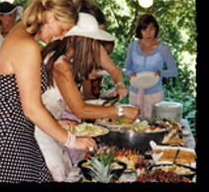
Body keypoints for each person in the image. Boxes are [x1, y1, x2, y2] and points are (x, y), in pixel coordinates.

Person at [0, 0, 95, 183]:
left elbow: (22, 101)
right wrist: (72, 140)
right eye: (63, 29)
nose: (62, 36)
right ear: (49, 17)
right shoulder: (26, 44)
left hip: (15, 132)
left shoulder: (21, 36)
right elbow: (31, 108)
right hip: (6, 139)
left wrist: (56, 124)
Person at [36, 13, 140, 181]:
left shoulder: (61, 59)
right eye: (92, 41)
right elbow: (80, 110)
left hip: (51, 128)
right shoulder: (60, 63)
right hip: (41, 134)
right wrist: (120, 111)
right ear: (76, 39)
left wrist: (100, 109)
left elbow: (67, 104)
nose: (94, 46)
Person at [125, 13, 179, 119]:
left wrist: (161, 73)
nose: (148, 33)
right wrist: (130, 73)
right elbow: (126, 69)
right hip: (135, 92)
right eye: (144, 30)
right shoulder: (132, 46)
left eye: (151, 29)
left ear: (156, 30)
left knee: (155, 125)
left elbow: (174, 71)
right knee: (135, 123)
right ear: (140, 31)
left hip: (154, 93)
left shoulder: (164, 48)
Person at [76, 0, 127, 101]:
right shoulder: (63, 52)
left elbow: (113, 70)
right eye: (93, 36)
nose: (97, 40)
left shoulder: (96, 46)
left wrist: (120, 84)